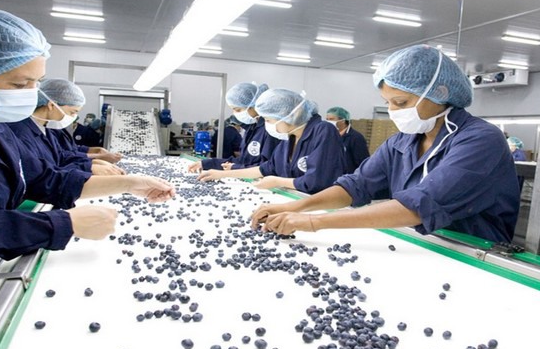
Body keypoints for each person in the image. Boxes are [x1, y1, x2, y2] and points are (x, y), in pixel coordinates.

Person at [251, 45, 520, 243]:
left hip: (472, 252)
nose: (392, 111)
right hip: (420, 244)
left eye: (401, 102)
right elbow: (355, 185)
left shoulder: (480, 140)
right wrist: (294, 207)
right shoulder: (402, 142)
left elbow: (420, 204)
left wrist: (314, 221)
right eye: (387, 103)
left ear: (440, 93)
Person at [0, 8, 175, 260]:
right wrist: (62, 224)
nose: (32, 94)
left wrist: (130, 183)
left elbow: (44, 179)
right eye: (20, 84)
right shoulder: (12, 128)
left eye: (37, 83)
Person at [197, 88, 346, 194]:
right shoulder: (288, 137)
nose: (267, 125)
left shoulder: (323, 131)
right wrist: (221, 174)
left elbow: (317, 181)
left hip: (320, 206)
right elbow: (266, 168)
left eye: (268, 120)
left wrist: (277, 181)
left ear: (288, 116)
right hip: (296, 200)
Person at [8, 78, 124, 176]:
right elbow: (41, 176)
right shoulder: (21, 133)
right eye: (72, 112)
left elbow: (61, 157)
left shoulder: (47, 130)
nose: (73, 117)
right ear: (51, 105)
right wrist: (89, 166)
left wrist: (94, 161)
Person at [188, 82, 280, 172]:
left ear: (253, 105)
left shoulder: (270, 130)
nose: (235, 114)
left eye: (238, 110)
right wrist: (207, 163)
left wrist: (235, 168)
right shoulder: (251, 129)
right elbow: (242, 161)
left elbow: (267, 167)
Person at [326, 106, 370, 173]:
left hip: (348, 176)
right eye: (327, 119)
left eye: (331, 119)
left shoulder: (355, 138)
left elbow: (362, 162)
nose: (328, 122)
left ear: (343, 120)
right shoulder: (328, 136)